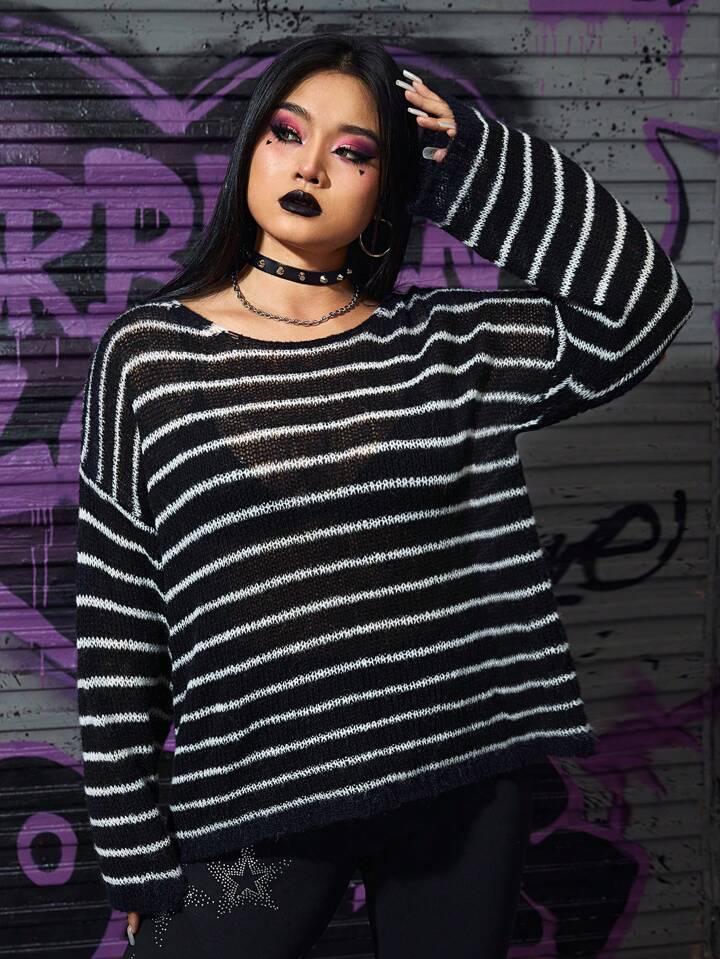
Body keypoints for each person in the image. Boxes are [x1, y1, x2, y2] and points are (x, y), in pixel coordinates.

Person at [74, 32, 693, 959]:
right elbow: (119, 620)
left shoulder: (445, 345)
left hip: (458, 784)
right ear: (251, 149)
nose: (312, 167)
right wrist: (133, 851)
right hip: (256, 799)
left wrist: (478, 166)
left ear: (383, 192)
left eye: (354, 151)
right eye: (287, 133)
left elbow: (640, 309)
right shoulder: (147, 358)